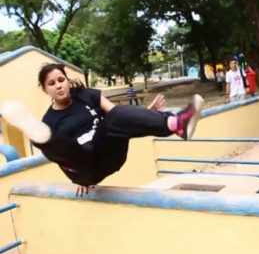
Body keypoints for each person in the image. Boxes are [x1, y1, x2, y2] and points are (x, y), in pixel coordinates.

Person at [0, 63, 204, 196]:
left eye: (61, 80)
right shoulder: (51, 119)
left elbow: (118, 117)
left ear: (67, 81)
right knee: (61, 143)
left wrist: (147, 115)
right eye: (52, 84)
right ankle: (40, 137)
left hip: (109, 153)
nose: (59, 86)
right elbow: (60, 161)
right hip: (84, 166)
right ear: (45, 90)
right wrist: (78, 177)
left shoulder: (87, 95)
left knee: (115, 115)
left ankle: (177, 125)